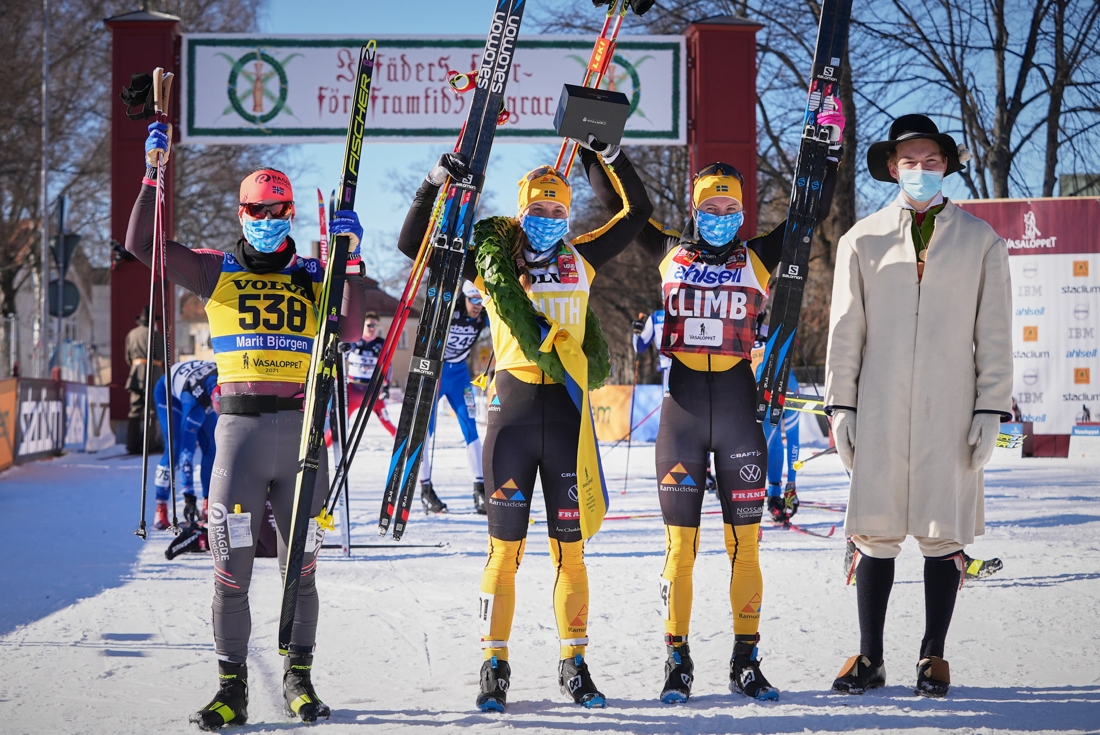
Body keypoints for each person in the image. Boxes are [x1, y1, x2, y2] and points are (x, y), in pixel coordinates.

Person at [582, 97, 845, 704]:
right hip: (681, 414)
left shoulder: (758, 255)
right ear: (697, 210)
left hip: (735, 412)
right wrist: (602, 146)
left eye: (732, 206)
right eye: (711, 206)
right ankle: (677, 660)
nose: (722, 214)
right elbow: (615, 205)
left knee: (745, 543)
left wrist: (827, 148)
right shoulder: (670, 250)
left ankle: (745, 661)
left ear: (742, 210)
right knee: (681, 547)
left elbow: (812, 213)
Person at [397, 138, 652, 712]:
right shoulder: (492, 262)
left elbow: (636, 212)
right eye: (536, 211)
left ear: (567, 216)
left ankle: (574, 664)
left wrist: (609, 158)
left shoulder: (581, 257)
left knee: (571, 553)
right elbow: (412, 244)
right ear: (520, 211)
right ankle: (494, 664)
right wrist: (434, 182)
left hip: (565, 414)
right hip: (510, 414)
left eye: (556, 211)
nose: (546, 220)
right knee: (503, 553)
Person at [129, 121, 367, 730]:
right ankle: (230, 687)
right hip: (237, 439)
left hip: (302, 439)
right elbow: (141, 245)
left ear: (290, 211)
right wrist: (153, 169)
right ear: (241, 212)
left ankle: (299, 680)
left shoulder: (316, 273)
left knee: (301, 573)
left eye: (280, 209)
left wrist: (353, 265)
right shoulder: (214, 269)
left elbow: (347, 328)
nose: (270, 218)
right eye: (259, 210)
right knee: (230, 572)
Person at [825, 114, 1012, 698]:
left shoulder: (981, 240)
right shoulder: (862, 238)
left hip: (951, 408)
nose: (921, 171)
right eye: (910, 162)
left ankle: (933, 657)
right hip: (877, 406)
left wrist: (990, 409)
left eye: (932, 161)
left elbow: (996, 333)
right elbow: (844, 330)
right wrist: (841, 405)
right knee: (876, 531)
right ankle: (871, 657)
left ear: (947, 165)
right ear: (891, 167)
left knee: (941, 531)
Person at [419, 280, 490, 514]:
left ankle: (480, 491)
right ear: (464, 298)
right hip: (436, 375)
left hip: (460, 376)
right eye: (474, 300)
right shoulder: (451, 311)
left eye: (481, 301)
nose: (478, 306)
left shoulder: (482, 316)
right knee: (424, 432)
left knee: (471, 428)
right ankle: (426, 491)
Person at [152, 359, 219, 530]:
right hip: (171, 394)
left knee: (212, 446)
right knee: (176, 447)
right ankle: (160, 507)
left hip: (202, 388)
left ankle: (208, 503)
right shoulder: (194, 406)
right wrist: (189, 497)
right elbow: (186, 454)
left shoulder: (226, 379)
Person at [752, 304, 801, 523]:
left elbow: (794, 440)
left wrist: (792, 484)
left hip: (776, 383)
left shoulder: (789, 387)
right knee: (763, 439)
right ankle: (763, 495)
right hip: (755, 383)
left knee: (771, 438)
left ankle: (774, 495)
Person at [339, 311, 399, 438]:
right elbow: (339, 362)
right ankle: (324, 450)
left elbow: (388, 366)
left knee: (386, 420)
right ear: (362, 325)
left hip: (372, 390)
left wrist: (386, 386)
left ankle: (406, 448)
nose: (372, 329)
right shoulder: (353, 341)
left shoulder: (381, 343)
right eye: (369, 325)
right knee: (341, 424)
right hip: (353, 389)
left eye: (375, 326)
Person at [124, 306, 163, 454]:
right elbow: (161, 356)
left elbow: (128, 357)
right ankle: (150, 444)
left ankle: (132, 444)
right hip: (153, 374)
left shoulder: (131, 334)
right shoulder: (156, 336)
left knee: (135, 410)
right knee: (152, 410)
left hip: (135, 374)